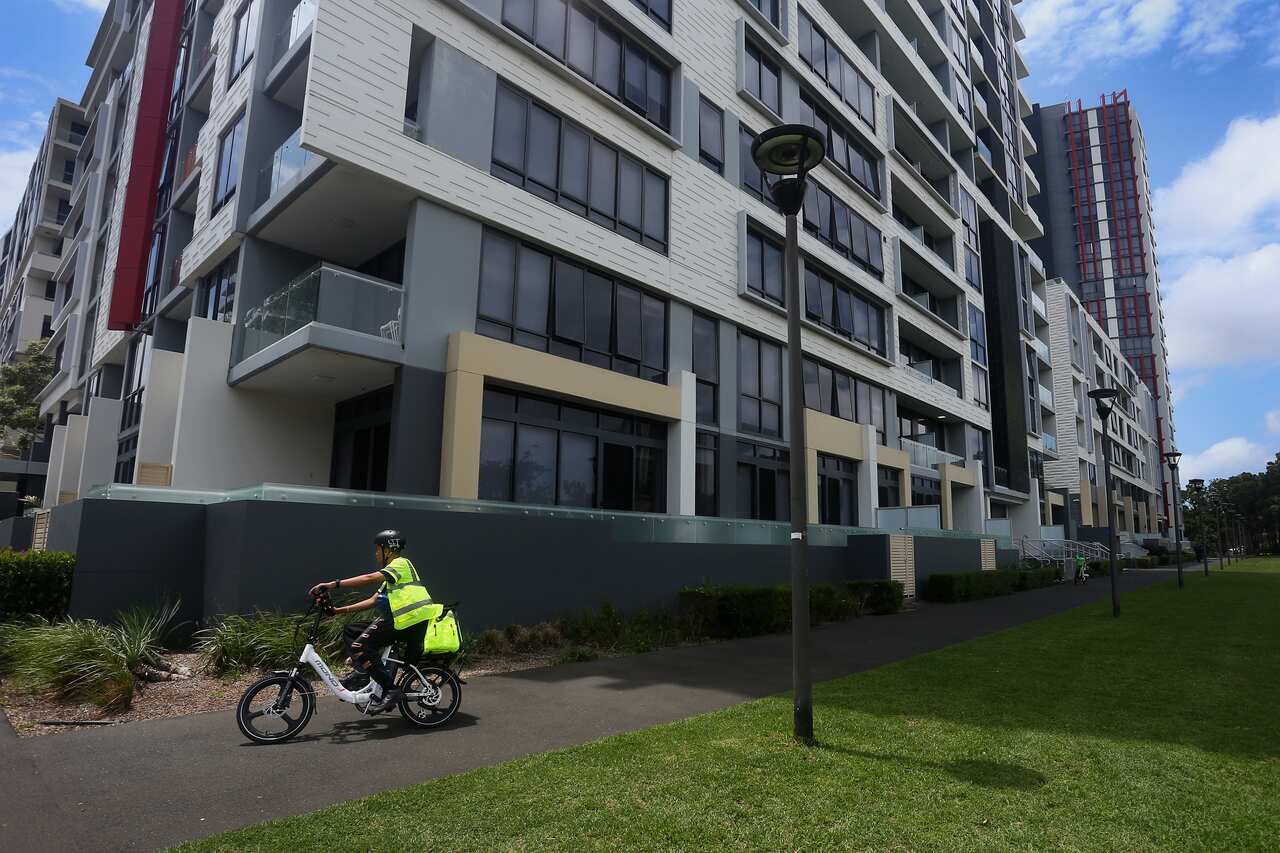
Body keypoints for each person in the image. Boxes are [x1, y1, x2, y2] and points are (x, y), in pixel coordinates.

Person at [308, 530, 434, 714]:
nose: (375, 553)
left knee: (360, 645)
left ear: (389, 550)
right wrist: (338, 611)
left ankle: (390, 689)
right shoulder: (391, 577)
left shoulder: (401, 564)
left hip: (409, 622)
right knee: (351, 630)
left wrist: (333, 584)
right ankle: (362, 673)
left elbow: (368, 579)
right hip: (401, 621)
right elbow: (373, 601)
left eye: (378, 549)